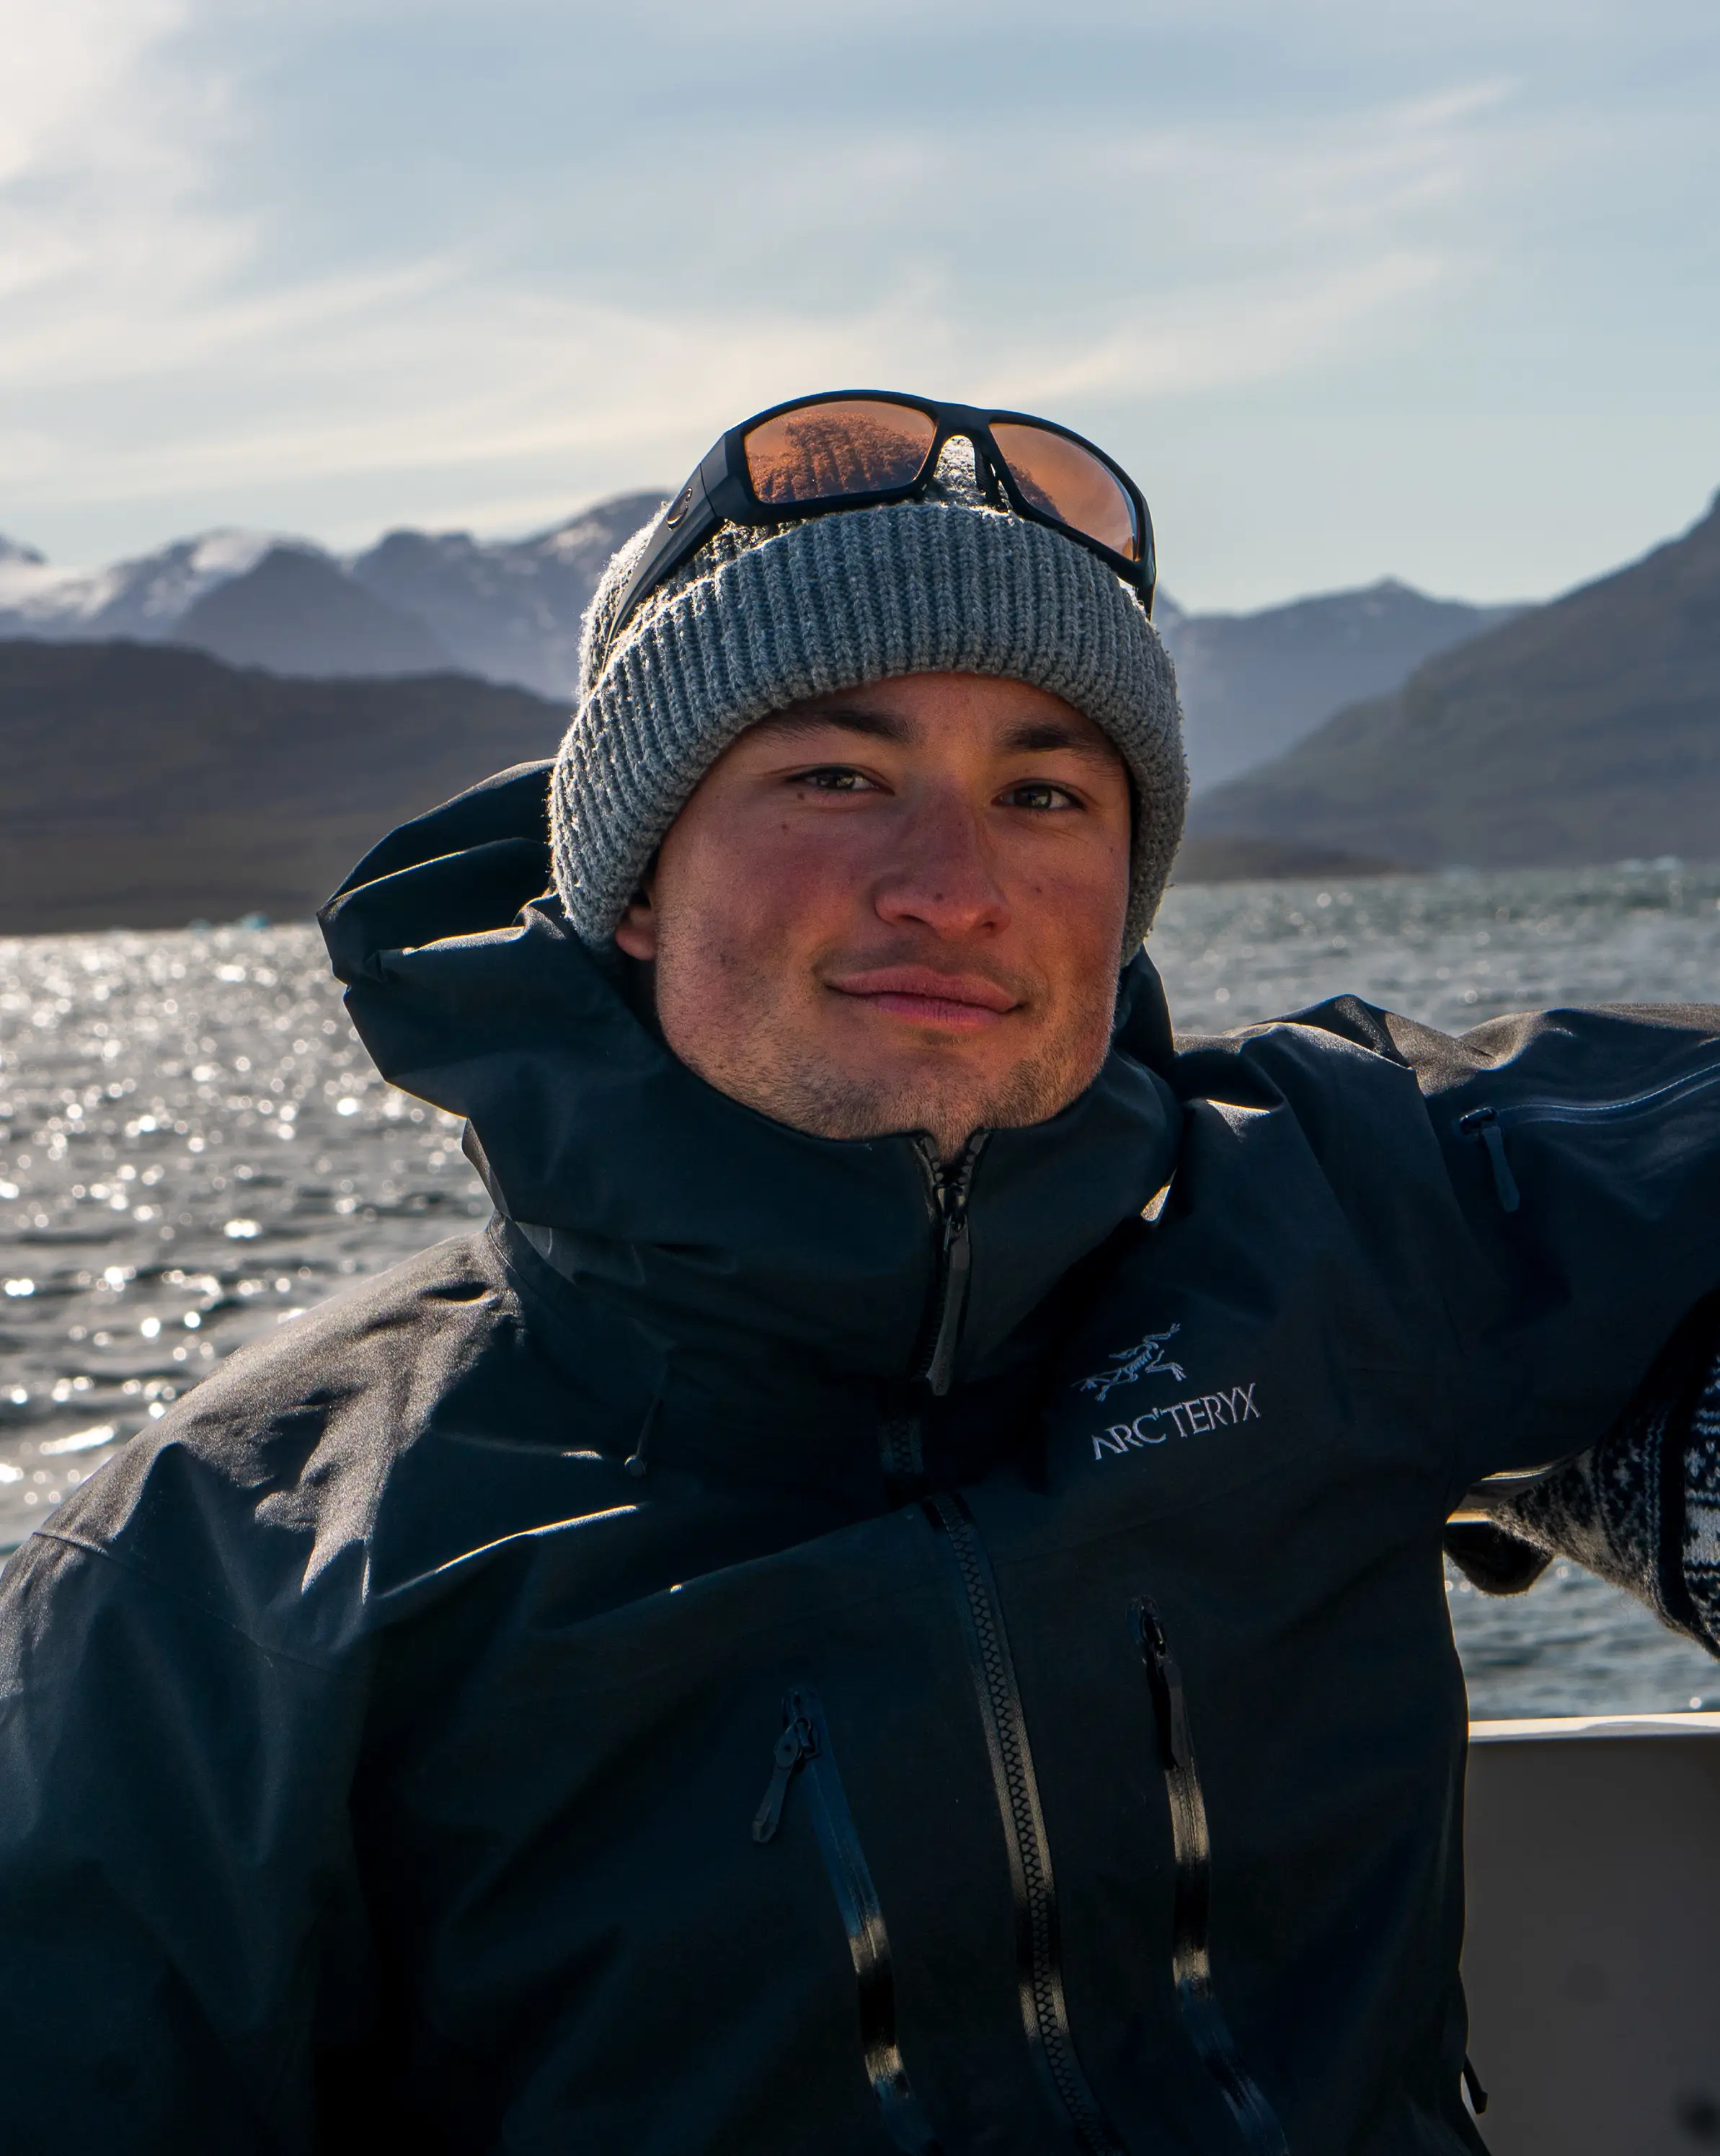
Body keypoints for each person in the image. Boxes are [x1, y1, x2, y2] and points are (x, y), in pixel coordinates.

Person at [0, 391, 1716, 2156]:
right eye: (837, 775)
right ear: (634, 884)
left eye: (1044, 791)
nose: (953, 885)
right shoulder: (228, 1570)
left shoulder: (1345, 1211)